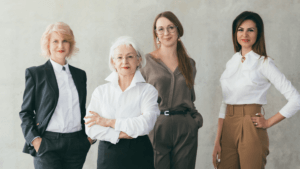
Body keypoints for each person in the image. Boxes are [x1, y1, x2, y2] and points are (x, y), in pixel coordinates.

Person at [212, 11, 300, 169]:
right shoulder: (231, 62)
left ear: (258, 33)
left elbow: (296, 99)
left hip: (250, 126)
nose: (244, 34)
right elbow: (225, 102)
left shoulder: (264, 63)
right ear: (235, 33)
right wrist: (217, 140)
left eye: (250, 30)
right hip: (227, 127)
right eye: (240, 29)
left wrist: (268, 122)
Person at [19, 22, 93, 169]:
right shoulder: (36, 74)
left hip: (76, 143)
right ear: (48, 44)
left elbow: (82, 109)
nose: (61, 45)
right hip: (47, 144)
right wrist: (35, 140)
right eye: (55, 41)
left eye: (65, 41)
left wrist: (88, 139)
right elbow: (25, 112)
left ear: (70, 44)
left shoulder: (80, 75)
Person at [84, 36, 159, 169]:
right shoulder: (100, 91)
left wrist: (108, 122)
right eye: (119, 57)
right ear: (113, 62)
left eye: (130, 56)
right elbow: (91, 128)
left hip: (139, 153)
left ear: (139, 60)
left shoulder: (148, 91)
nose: (124, 61)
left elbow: (146, 124)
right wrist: (120, 134)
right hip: (108, 155)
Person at [140, 11, 203, 169]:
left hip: (185, 127)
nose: (166, 33)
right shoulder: (145, 62)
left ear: (178, 31)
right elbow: (137, 97)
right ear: (156, 34)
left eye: (170, 28)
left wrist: (194, 122)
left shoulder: (189, 64)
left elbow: (190, 97)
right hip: (156, 125)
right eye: (160, 29)